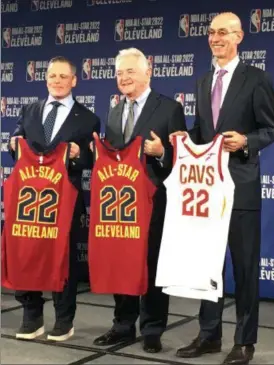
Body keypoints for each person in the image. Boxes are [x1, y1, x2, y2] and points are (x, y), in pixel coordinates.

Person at [170, 12, 274, 365]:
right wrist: (186, 139)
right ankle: (209, 334)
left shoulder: (257, 79)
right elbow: (202, 130)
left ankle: (244, 341)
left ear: (239, 37)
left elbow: (270, 129)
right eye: (211, 32)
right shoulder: (202, 82)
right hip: (207, 190)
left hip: (241, 187)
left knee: (245, 269)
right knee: (207, 265)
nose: (215, 38)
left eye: (223, 32)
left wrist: (246, 140)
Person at [92, 47, 187, 353]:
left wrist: (162, 153)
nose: (124, 78)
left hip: (156, 200)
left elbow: (183, 158)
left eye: (130, 71)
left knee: (153, 264)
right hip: (121, 205)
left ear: (148, 71)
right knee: (122, 262)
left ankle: (152, 329)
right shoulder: (115, 110)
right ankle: (122, 325)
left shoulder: (170, 108)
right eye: (119, 73)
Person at [9, 56, 100, 342]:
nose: (57, 81)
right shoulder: (30, 110)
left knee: (64, 260)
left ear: (74, 80)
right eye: (52, 76)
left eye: (63, 77)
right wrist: (13, 144)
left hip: (66, 200)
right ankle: (31, 317)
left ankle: (64, 319)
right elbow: (16, 142)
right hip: (30, 202)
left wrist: (77, 155)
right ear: (46, 79)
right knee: (28, 255)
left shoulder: (88, 118)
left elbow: (93, 159)